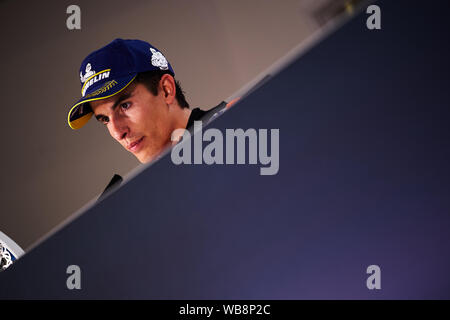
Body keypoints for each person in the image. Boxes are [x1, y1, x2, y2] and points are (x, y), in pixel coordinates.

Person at [67, 38, 238, 163]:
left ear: (166, 90)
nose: (118, 133)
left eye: (125, 106)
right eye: (105, 119)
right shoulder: (141, 202)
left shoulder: (236, 124)